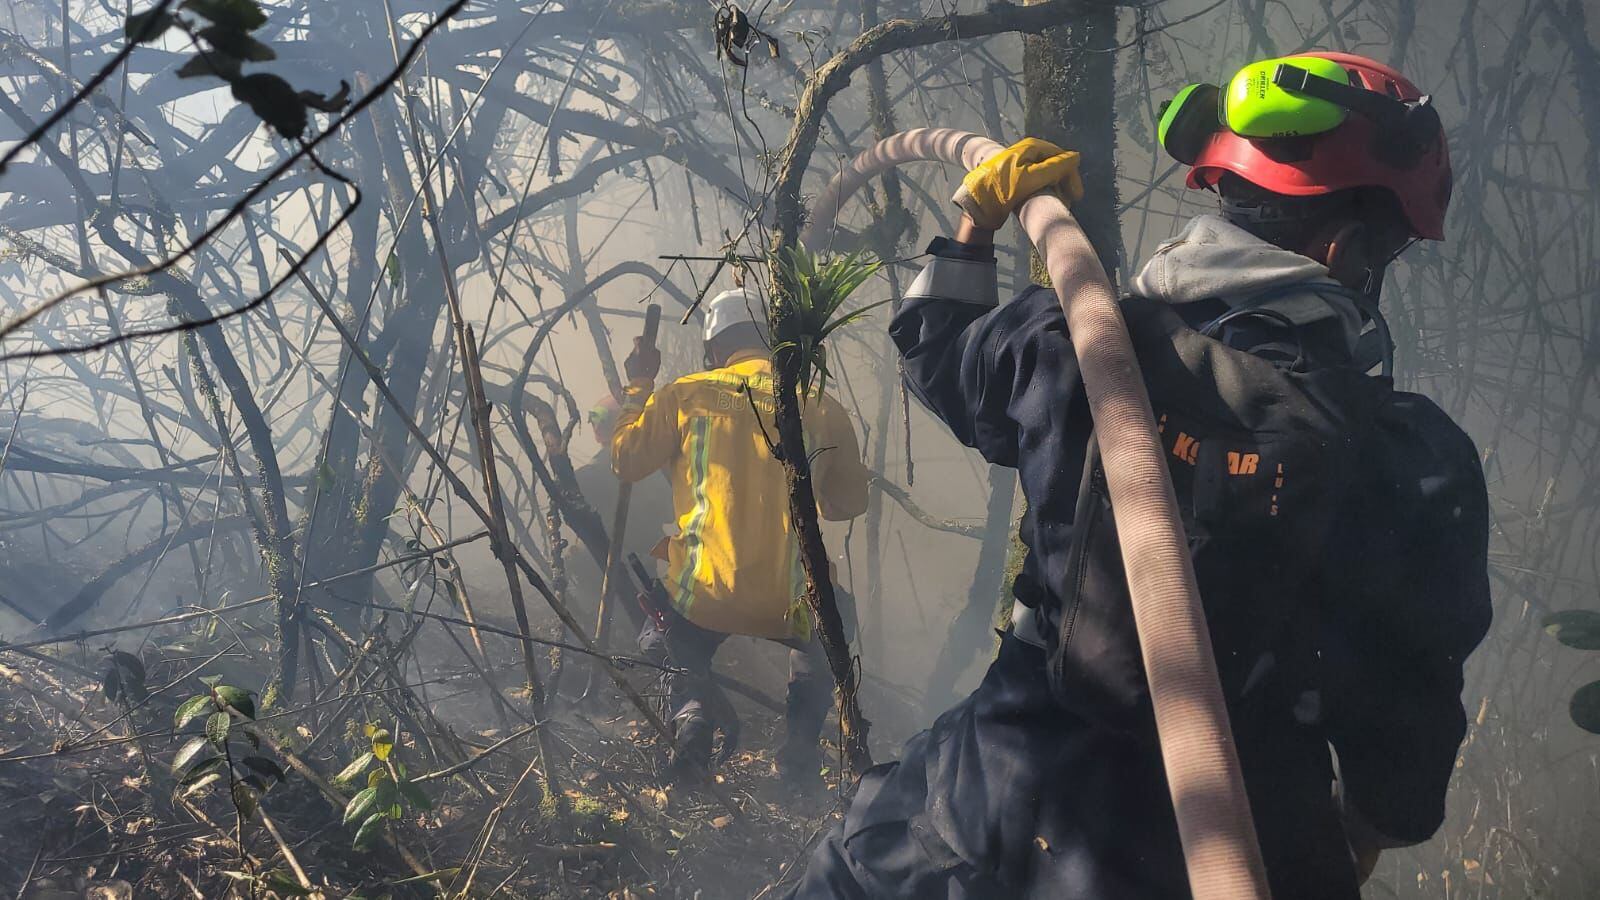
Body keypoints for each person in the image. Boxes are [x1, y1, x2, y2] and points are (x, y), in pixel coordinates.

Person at [790, 51, 1491, 898]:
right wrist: (1355, 833)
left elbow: (937, 350)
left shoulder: (1078, 348)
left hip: (983, 808)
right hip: (1235, 844)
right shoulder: (1411, 464)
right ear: (1345, 249)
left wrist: (976, 220)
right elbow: (1407, 726)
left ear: (1222, 198)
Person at [611, 286, 870, 789]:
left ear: (713, 349)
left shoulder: (684, 394)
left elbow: (625, 459)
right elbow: (848, 505)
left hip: (703, 595)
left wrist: (638, 385)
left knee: (663, 634)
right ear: (774, 345)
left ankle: (692, 722)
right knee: (832, 628)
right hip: (792, 602)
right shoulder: (819, 405)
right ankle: (797, 757)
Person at [566, 394, 674, 624]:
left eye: (601, 417)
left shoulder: (588, 476)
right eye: (593, 416)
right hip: (642, 573)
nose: (594, 423)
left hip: (612, 574)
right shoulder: (656, 467)